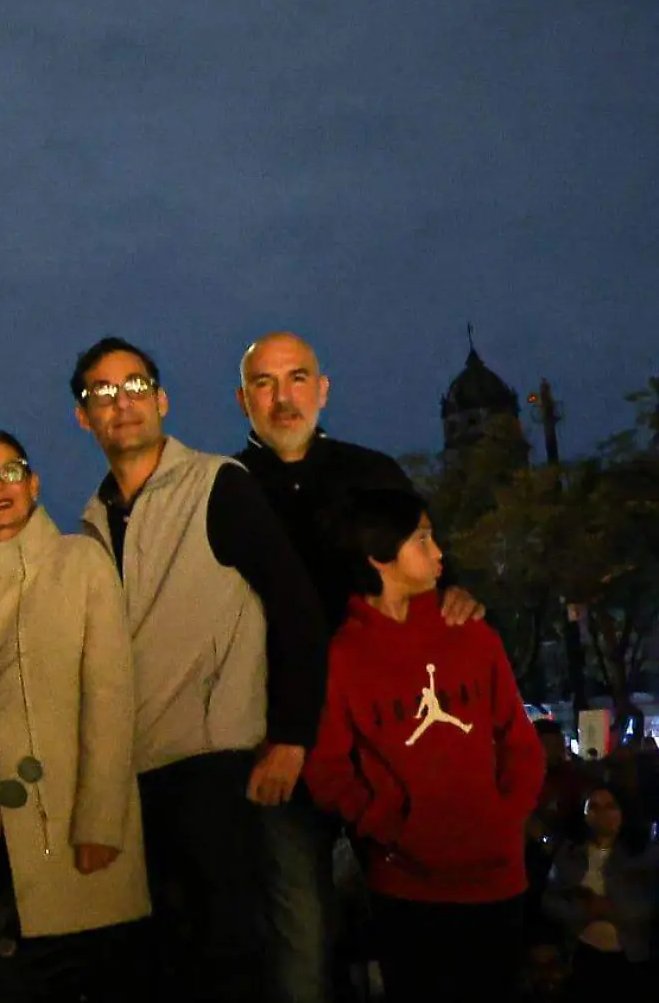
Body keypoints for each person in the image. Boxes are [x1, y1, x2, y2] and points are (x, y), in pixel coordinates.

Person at [232, 331, 489, 1003]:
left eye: (296, 378)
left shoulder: (372, 473)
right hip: (280, 734)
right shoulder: (225, 489)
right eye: (265, 382)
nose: (282, 397)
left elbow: (433, 568)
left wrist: (454, 591)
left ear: (323, 389)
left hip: (388, 731)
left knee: (418, 916)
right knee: (299, 934)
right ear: (243, 399)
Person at [70, 337, 328, 1003]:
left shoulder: (218, 485)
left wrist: (293, 735)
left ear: (161, 399)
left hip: (218, 764)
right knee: (165, 964)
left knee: (235, 959)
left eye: (134, 387)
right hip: (135, 778)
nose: (120, 404)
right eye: (102, 393)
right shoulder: (93, 521)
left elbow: (294, 605)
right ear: (83, 416)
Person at [303, 489, 543, 1003]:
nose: (439, 553)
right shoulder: (343, 658)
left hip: (497, 880)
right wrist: (391, 827)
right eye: (422, 539)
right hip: (407, 887)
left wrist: (505, 821)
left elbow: (518, 741)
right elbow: (326, 770)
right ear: (378, 554)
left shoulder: (472, 633)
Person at [0, 430, 150, 1002]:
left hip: (75, 819)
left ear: (33, 482)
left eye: (8, 472)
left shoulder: (81, 561)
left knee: (92, 971)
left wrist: (102, 822)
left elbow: (110, 695)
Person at [544, 784, 656, 994]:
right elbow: (551, 900)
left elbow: (648, 905)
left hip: (629, 956)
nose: (602, 813)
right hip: (580, 953)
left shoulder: (643, 854)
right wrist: (584, 912)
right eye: (594, 807)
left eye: (610, 806)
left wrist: (611, 911)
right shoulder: (570, 853)